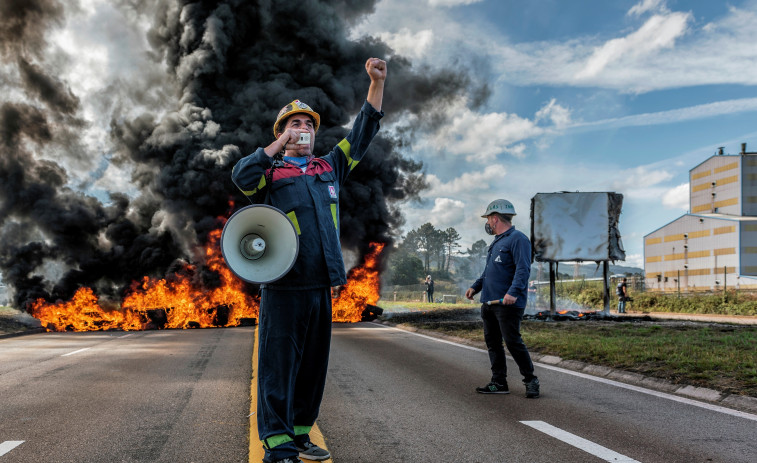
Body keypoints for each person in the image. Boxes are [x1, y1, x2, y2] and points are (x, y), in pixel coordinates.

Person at [231, 58, 387, 463]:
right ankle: (277, 442)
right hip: (283, 285)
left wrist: (375, 83)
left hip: (321, 285)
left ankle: (300, 433)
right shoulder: (270, 172)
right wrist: (276, 148)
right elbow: (241, 177)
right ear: (281, 134)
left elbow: (365, 129)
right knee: (277, 367)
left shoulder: (330, 167)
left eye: (309, 125)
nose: (304, 130)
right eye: (294, 125)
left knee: (313, 368)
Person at [465, 199, 540, 399]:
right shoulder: (497, 242)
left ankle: (531, 380)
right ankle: (499, 382)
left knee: (513, 342)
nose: (487, 224)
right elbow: (489, 272)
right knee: (493, 344)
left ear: (495, 218)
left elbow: (523, 269)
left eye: (489, 219)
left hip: (507, 304)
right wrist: (476, 287)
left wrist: (513, 293)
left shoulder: (518, 239)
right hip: (489, 303)